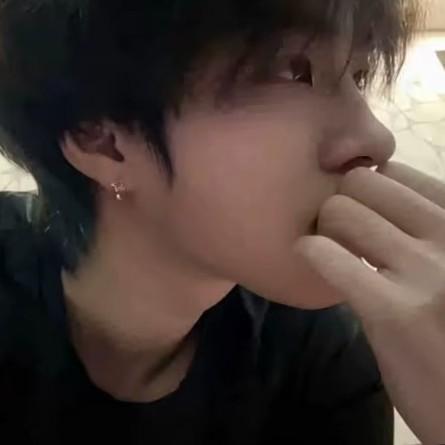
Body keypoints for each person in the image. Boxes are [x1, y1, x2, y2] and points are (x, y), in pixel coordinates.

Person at [0, 0, 437, 444]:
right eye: (294, 71)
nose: (377, 140)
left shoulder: (326, 356)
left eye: (359, 76)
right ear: (101, 141)